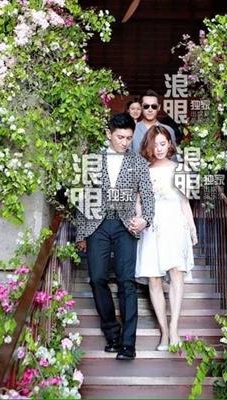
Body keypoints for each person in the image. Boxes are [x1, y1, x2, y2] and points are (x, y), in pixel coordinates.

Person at [74, 113, 155, 361]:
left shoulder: (138, 162)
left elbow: (148, 194)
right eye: (120, 137)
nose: (124, 142)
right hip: (97, 225)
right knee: (98, 278)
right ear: (109, 134)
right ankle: (112, 334)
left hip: (125, 226)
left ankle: (128, 344)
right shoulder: (91, 161)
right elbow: (83, 196)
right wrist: (81, 233)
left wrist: (145, 219)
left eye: (129, 138)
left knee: (126, 282)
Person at [135, 125, 197, 350]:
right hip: (151, 226)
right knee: (154, 278)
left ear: (170, 144)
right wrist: (140, 221)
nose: (159, 149)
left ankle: (174, 329)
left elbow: (184, 202)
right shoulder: (143, 170)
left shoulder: (179, 169)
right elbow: (138, 202)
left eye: (163, 143)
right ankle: (163, 332)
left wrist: (192, 228)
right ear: (148, 146)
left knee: (176, 273)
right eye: (155, 145)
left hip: (175, 224)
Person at [131, 90, 177, 156]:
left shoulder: (168, 130)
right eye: (146, 106)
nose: (150, 110)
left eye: (154, 106)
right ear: (141, 107)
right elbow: (127, 156)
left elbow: (172, 157)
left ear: (159, 107)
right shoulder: (132, 129)